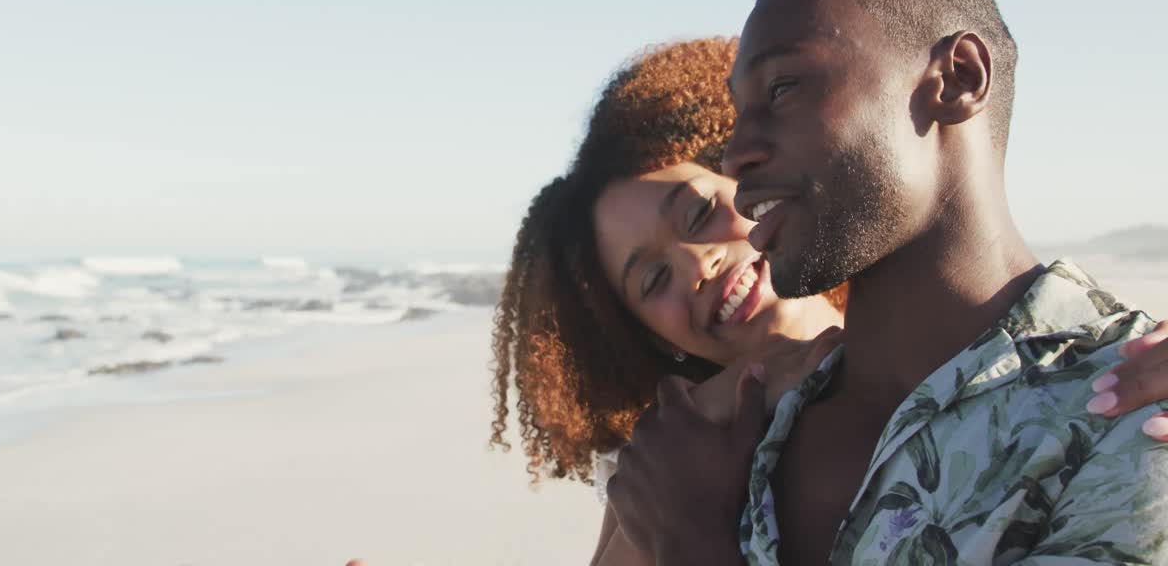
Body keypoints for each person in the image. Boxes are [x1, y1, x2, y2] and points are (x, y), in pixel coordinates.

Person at [606, 0, 1168, 564]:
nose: (735, 158)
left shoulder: (1125, 406)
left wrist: (692, 547)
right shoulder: (739, 442)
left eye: (783, 88)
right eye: (738, 113)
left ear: (958, 78)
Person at [490, 39, 1168, 564]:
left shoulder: (1029, 352)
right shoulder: (668, 466)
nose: (698, 267)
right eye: (652, 281)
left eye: (696, 215)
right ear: (643, 338)